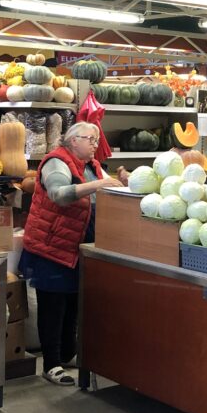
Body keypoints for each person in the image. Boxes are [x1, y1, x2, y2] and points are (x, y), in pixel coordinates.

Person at [20, 122, 121, 386]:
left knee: (73, 305)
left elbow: (104, 190)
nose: (95, 144)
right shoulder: (56, 162)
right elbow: (58, 194)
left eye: (97, 140)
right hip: (52, 247)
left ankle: (67, 354)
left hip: (78, 248)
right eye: (90, 139)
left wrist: (121, 181)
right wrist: (98, 185)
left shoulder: (92, 166)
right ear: (73, 140)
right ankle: (51, 364)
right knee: (53, 306)